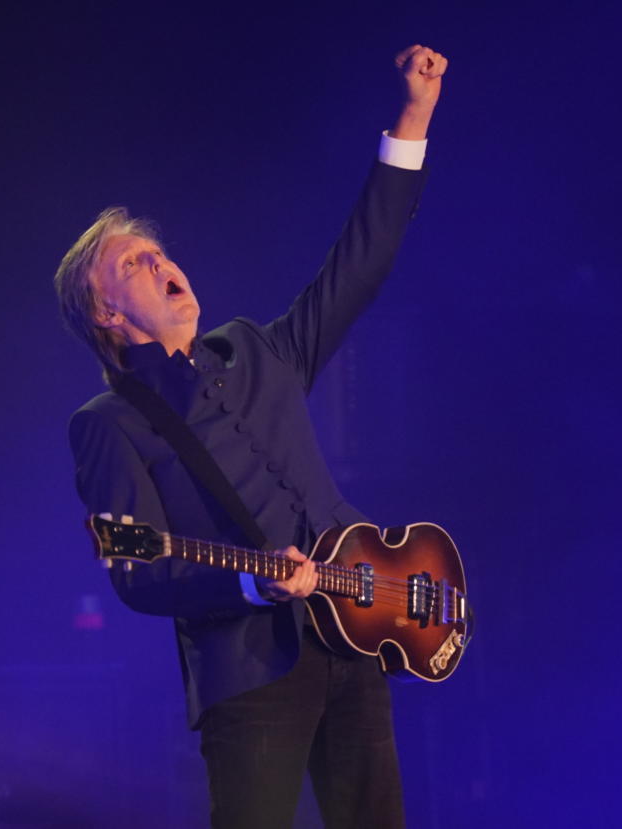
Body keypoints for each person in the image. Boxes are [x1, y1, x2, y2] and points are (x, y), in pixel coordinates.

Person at [54, 44, 447, 829]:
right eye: (136, 261)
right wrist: (247, 582)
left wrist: (412, 118)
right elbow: (139, 573)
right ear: (106, 312)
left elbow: (357, 268)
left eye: (161, 249)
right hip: (251, 671)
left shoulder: (253, 349)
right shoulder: (110, 424)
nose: (164, 261)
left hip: (358, 634)